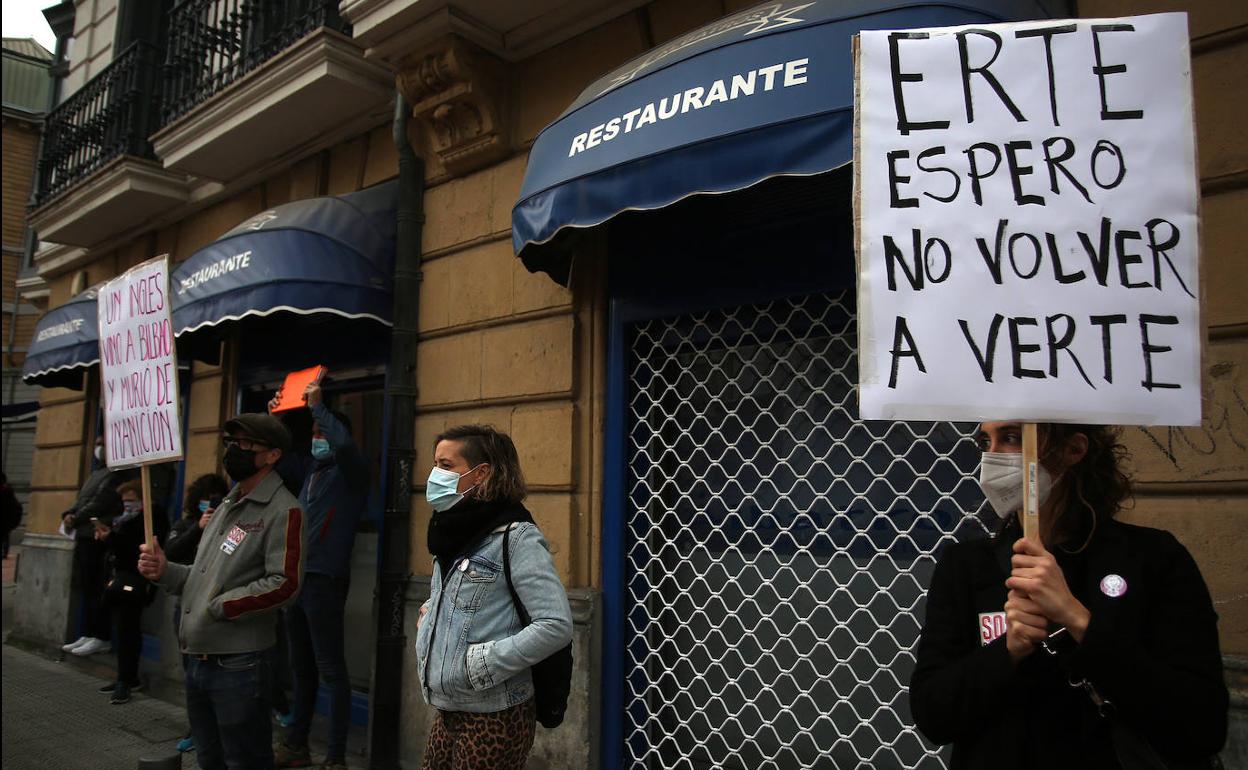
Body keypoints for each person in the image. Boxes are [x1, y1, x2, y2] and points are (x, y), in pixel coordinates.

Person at [910, 421, 1228, 769]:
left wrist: (1078, 621)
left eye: (1013, 438)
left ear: (1073, 449)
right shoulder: (968, 566)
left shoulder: (1152, 558)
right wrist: (1009, 650)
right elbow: (933, 715)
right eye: (986, 441)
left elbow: (1203, 726)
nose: (993, 456)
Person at [138, 413, 306, 770]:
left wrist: (221, 607)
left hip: (239, 665)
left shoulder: (284, 510)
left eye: (245, 444)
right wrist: (165, 571)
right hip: (200, 659)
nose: (234, 451)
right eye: (230, 443)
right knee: (209, 758)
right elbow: (200, 577)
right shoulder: (227, 504)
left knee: (243, 760)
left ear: (272, 455)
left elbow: (285, 585)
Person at [415, 425, 573, 770]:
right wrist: (432, 615)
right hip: (448, 708)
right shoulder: (451, 531)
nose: (434, 475)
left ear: (481, 473)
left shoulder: (516, 537)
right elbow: (468, 602)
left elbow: (556, 624)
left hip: (494, 713)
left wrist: (481, 664)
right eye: (435, 464)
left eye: (445, 465)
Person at [270, 381, 368, 770]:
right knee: (302, 668)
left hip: (325, 579)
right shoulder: (310, 469)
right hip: (297, 579)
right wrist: (275, 414)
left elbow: (343, 445)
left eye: (320, 433)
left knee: (331, 670)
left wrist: (319, 409)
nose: (316, 439)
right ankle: (297, 745)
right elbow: (276, 458)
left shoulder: (352, 472)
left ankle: (336, 756)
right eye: (312, 434)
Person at [167, 473, 230, 751]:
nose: (209, 509)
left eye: (213, 503)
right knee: (191, 673)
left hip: (215, 610)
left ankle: (216, 729)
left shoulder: (229, 524)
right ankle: (197, 728)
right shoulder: (185, 524)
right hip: (186, 608)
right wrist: (197, 528)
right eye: (205, 504)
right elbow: (172, 552)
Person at [93, 478, 169, 704]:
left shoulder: (152, 518)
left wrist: (112, 538)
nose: (127, 505)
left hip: (136, 581)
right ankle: (124, 676)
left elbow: (136, 548)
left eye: (132, 500)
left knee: (128, 629)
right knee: (121, 628)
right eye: (124, 501)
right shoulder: (124, 518)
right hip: (119, 578)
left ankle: (126, 680)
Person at [61, 436, 132, 657]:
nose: (99, 447)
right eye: (98, 442)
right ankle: (88, 632)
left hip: (96, 536)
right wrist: (68, 513)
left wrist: (76, 517)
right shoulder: (97, 472)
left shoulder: (116, 475)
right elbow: (83, 498)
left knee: (97, 587)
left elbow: (99, 502)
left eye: (104, 443)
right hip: (84, 535)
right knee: (87, 586)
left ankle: (100, 636)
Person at [1, 472, 21, 559]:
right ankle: (4, 553)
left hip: (5, 519)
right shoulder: (8, 491)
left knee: (4, 536)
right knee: (5, 536)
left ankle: (4, 553)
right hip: (6, 519)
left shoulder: (7, 491)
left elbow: (13, 507)